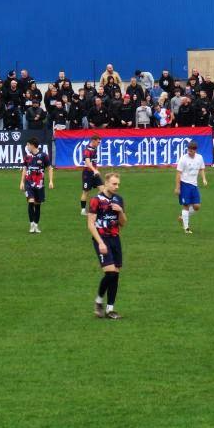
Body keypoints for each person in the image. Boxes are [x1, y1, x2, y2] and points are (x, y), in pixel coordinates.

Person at [89, 173, 126, 320]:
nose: (116, 187)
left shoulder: (119, 200)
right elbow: (90, 224)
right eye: (114, 184)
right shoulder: (96, 200)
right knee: (110, 273)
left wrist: (120, 211)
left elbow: (123, 223)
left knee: (115, 274)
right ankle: (99, 301)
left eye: (118, 184)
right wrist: (100, 242)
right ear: (106, 183)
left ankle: (110, 309)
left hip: (115, 239)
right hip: (102, 239)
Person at [19, 137, 54, 234]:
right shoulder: (27, 157)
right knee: (31, 202)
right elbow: (24, 169)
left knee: (37, 205)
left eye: (28, 145)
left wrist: (51, 181)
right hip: (29, 183)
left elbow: (50, 168)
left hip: (39, 184)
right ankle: (31, 225)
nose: (27, 146)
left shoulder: (43, 156)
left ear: (32, 145)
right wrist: (22, 182)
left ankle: (36, 225)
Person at [175, 141, 208, 234]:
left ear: (195, 150)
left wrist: (204, 179)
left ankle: (183, 217)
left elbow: (202, 169)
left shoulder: (199, 158)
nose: (189, 152)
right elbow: (178, 173)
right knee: (186, 205)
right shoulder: (183, 159)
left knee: (197, 206)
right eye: (188, 150)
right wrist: (177, 187)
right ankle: (186, 228)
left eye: (191, 151)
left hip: (194, 185)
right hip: (184, 184)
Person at [79, 135, 103, 216]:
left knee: (103, 190)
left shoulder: (94, 149)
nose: (99, 144)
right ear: (93, 141)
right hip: (87, 173)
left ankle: (94, 202)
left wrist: (96, 169)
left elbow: (93, 162)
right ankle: (83, 210)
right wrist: (94, 170)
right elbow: (88, 163)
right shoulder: (87, 150)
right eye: (98, 142)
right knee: (86, 192)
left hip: (94, 173)